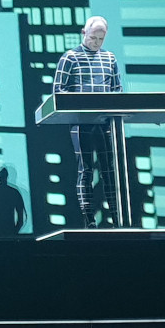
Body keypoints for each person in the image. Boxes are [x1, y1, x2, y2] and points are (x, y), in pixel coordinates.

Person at [52, 16, 122, 228]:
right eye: (93, 38)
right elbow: (58, 92)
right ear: (84, 33)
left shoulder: (110, 58)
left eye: (101, 39)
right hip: (81, 123)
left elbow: (117, 91)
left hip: (105, 123)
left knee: (110, 171)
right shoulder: (70, 58)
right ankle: (89, 220)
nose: (96, 43)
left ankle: (118, 219)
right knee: (86, 170)